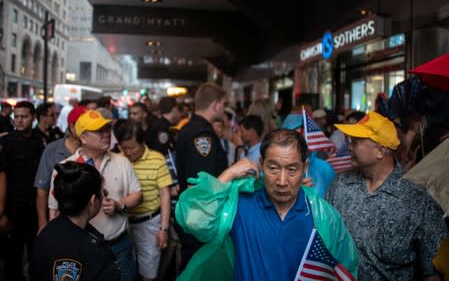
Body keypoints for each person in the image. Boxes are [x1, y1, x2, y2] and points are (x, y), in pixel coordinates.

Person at [175, 129, 358, 280]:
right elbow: (195, 220)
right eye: (273, 168)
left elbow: (344, 268)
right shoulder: (241, 204)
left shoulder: (321, 215)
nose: (282, 180)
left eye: (292, 169)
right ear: (261, 164)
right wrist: (228, 175)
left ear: (305, 167)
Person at [326, 111, 448, 280]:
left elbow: (433, 271)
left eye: (356, 141)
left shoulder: (417, 199)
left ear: (380, 151)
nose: (349, 146)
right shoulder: (339, 185)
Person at [48, 110, 143, 280]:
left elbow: (137, 195)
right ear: (83, 137)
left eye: (107, 128)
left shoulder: (122, 162)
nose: (106, 134)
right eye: (99, 131)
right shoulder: (65, 168)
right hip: (81, 249)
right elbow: (54, 211)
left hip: (119, 246)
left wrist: (119, 204)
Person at [31, 162, 120, 280]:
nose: (104, 196)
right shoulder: (85, 252)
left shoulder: (48, 231)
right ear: (93, 200)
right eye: (102, 192)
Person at [175, 82, 228, 270]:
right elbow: (201, 184)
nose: (224, 108)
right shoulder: (202, 135)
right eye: (223, 104)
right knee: (197, 269)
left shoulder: (188, 128)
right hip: (198, 219)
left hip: (191, 215)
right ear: (215, 105)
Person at [113, 120, 172, 281]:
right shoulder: (117, 160)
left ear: (142, 142)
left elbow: (165, 195)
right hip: (121, 223)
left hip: (149, 224)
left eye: (132, 147)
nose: (129, 152)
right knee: (124, 271)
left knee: (149, 273)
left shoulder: (157, 159)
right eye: (124, 148)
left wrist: (164, 229)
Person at [0, 101, 45, 281]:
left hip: (35, 207)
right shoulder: (6, 142)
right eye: (16, 117)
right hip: (13, 208)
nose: (19, 121)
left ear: (33, 117)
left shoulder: (40, 141)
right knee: (12, 257)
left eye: (24, 116)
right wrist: (2, 213)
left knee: (37, 254)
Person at [34, 106, 86, 234]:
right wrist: (43, 223)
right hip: (59, 221)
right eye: (83, 126)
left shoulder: (92, 150)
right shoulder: (52, 150)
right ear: (72, 127)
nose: (87, 131)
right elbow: (42, 190)